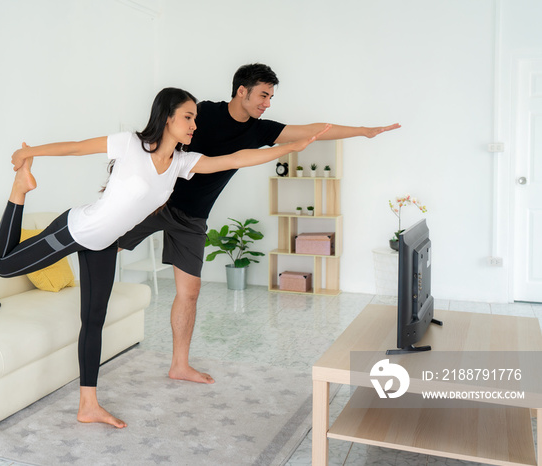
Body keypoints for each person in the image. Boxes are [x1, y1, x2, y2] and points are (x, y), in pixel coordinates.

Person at [0, 87, 330, 428]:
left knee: (93, 322)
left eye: (195, 118)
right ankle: (19, 190)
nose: (194, 124)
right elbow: (77, 147)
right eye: (187, 116)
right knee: (3, 266)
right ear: (167, 117)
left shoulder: (181, 163)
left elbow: (235, 159)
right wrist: (29, 153)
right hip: (77, 229)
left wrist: (288, 147)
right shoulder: (130, 144)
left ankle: (88, 405)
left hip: (104, 245)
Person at [118, 64, 401, 385]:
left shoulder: (260, 130)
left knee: (190, 292)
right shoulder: (203, 113)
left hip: (192, 217)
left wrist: (363, 131)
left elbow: (314, 129)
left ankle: (179, 365)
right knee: (103, 242)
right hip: (155, 202)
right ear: (242, 91)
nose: (267, 103)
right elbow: (156, 135)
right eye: (263, 95)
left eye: (271, 97)